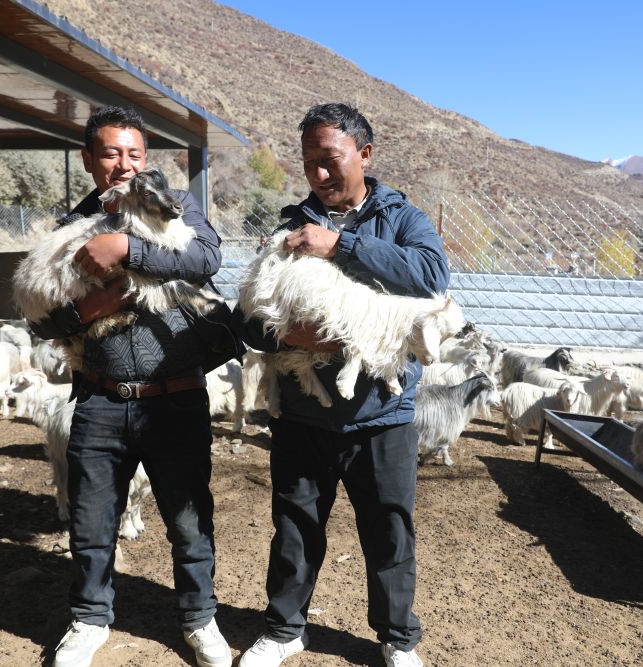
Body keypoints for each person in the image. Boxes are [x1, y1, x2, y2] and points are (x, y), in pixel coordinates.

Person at [234, 103, 449, 667]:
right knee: (295, 526)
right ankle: (284, 630)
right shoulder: (291, 223)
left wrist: (340, 246)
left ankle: (398, 639)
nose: (319, 175)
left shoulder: (403, 220)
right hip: (305, 412)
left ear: (364, 154)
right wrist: (292, 337)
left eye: (329, 161)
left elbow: (430, 279)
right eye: (309, 164)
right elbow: (250, 316)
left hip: (383, 414)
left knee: (389, 531)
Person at [29, 106, 233, 667]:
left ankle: (200, 619)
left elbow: (207, 255)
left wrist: (127, 251)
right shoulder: (72, 226)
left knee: (190, 520)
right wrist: (86, 309)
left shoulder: (175, 206)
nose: (125, 164)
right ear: (89, 159)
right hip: (98, 397)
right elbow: (40, 318)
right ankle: (89, 619)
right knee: (92, 520)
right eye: (113, 153)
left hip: (175, 395)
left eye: (135, 154)